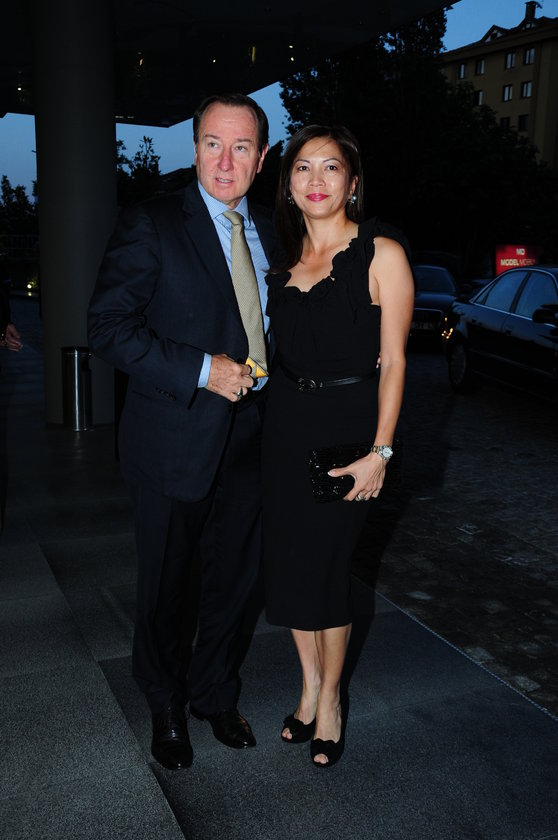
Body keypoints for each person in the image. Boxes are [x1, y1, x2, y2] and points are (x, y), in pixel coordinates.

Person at [88, 93, 277, 770]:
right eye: (212, 144)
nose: (225, 161)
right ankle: (164, 701)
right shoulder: (153, 222)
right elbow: (107, 327)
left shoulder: (271, 230)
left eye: (241, 147)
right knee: (168, 585)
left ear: (261, 157)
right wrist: (202, 370)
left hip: (253, 435)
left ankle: (213, 693)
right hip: (174, 437)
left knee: (234, 581)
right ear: (194, 148)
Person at [262, 125, 415, 767]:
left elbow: (396, 361)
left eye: (331, 166)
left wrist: (381, 452)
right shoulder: (282, 258)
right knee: (292, 567)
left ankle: (330, 701)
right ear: (288, 185)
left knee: (326, 569)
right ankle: (306, 685)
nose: (316, 179)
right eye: (303, 167)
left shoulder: (381, 254)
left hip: (348, 435)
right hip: (283, 427)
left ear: (352, 182)